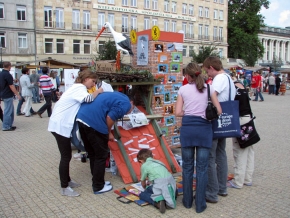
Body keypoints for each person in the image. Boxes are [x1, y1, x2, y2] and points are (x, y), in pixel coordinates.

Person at [48, 69, 103, 197]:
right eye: (93, 81)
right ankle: (64, 187)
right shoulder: (80, 88)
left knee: (66, 155)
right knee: (65, 157)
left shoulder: (76, 88)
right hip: (60, 125)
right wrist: (98, 92)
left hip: (59, 124)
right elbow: (88, 99)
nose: (93, 85)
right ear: (86, 79)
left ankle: (67, 181)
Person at [175, 62, 222, 213]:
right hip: (204, 130)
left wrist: (188, 112)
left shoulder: (183, 89)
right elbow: (219, 111)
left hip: (188, 130)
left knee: (187, 167)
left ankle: (187, 201)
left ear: (188, 76)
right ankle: (200, 204)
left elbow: (177, 112)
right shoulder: (209, 88)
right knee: (202, 169)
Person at [76, 92, 134, 194]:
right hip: (94, 122)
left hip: (81, 118)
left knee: (93, 153)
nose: (128, 113)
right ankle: (98, 186)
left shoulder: (118, 96)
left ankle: (97, 180)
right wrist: (108, 133)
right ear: (132, 103)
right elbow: (110, 118)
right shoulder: (126, 104)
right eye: (130, 111)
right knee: (101, 155)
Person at [203, 56, 236, 203]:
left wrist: (217, 109)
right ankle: (222, 187)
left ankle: (212, 191)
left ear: (211, 67)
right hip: (226, 122)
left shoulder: (219, 78)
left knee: (211, 156)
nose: (207, 74)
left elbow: (212, 94)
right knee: (221, 153)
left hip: (217, 119)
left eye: (207, 70)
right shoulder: (228, 78)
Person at [227, 80, 255, 189]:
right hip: (249, 118)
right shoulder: (241, 86)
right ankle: (248, 178)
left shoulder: (232, 88)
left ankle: (238, 181)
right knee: (249, 150)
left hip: (240, 120)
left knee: (240, 150)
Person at [137, 149, 177, 214]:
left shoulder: (144, 166)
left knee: (143, 194)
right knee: (165, 188)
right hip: (171, 182)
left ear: (141, 161)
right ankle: (171, 195)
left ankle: (157, 203)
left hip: (160, 184)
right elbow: (162, 173)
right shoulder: (159, 162)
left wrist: (145, 188)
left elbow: (143, 181)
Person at [0, 62, 22, 131]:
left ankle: (9, 125)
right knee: (8, 111)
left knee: (10, 110)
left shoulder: (1, 74)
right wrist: (17, 94)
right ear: (9, 66)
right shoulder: (8, 74)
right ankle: (6, 126)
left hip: (3, 93)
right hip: (7, 94)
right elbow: (11, 86)